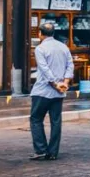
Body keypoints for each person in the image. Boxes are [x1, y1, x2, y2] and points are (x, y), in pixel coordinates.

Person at [30, 22, 73, 160]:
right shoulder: (63, 47)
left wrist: (54, 83)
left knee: (36, 119)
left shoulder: (40, 48)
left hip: (43, 90)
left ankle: (41, 149)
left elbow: (44, 68)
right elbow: (70, 65)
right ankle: (53, 152)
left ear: (40, 34)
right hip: (59, 91)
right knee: (56, 121)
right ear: (53, 33)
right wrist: (65, 82)